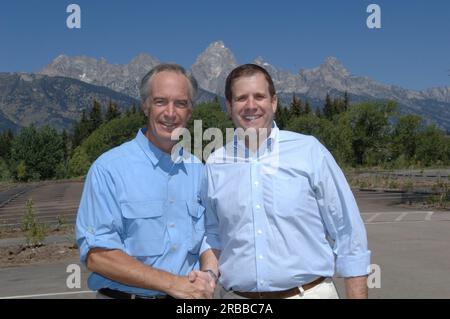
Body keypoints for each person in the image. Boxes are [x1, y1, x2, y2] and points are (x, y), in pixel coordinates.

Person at [199, 64, 371, 299]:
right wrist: (208, 273)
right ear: (229, 106)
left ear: (274, 102)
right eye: (241, 98)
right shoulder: (215, 163)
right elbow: (213, 234)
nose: (251, 106)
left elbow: (348, 233)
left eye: (259, 96)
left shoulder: (309, 151)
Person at [76, 64, 215, 299]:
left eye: (180, 103)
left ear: (190, 111)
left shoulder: (198, 170)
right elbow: (97, 255)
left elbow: (208, 236)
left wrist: (209, 274)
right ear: (146, 106)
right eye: (160, 101)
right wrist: (171, 284)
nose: (170, 113)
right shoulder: (109, 169)